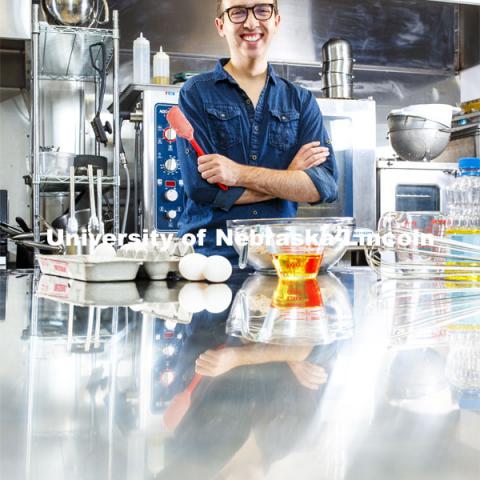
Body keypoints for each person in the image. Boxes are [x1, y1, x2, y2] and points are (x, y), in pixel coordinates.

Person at [176, 0, 338, 259]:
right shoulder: (195, 93)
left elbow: (324, 187)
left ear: (276, 20)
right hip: (209, 257)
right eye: (238, 12)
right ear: (221, 25)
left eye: (262, 10)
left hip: (278, 260)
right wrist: (289, 177)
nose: (251, 22)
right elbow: (202, 189)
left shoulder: (300, 100)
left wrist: (237, 174)